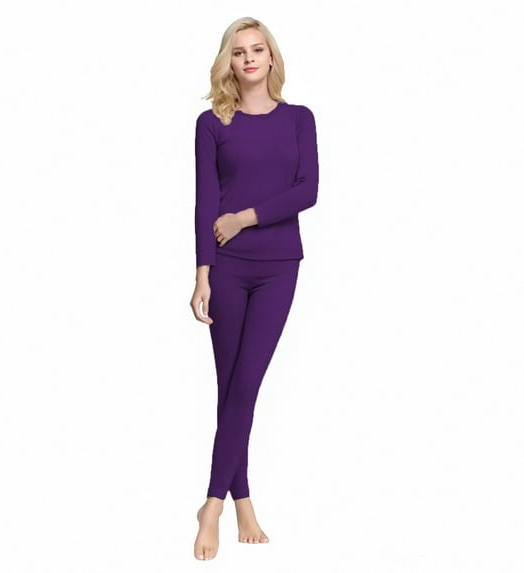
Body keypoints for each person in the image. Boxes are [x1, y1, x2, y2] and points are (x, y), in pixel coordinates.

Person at [189, 16, 319, 560]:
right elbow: (204, 200)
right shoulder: (211, 123)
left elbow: (307, 190)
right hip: (226, 268)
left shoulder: (299, 119)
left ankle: (211, 504)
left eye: (257, 49)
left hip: (278, 266)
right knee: (231, 388)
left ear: (271, 57)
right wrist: (201, 273)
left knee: (245, 385)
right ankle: (241, 500)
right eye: (239, 51)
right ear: (229, 61)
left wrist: (244, 217)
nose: (248, 59)